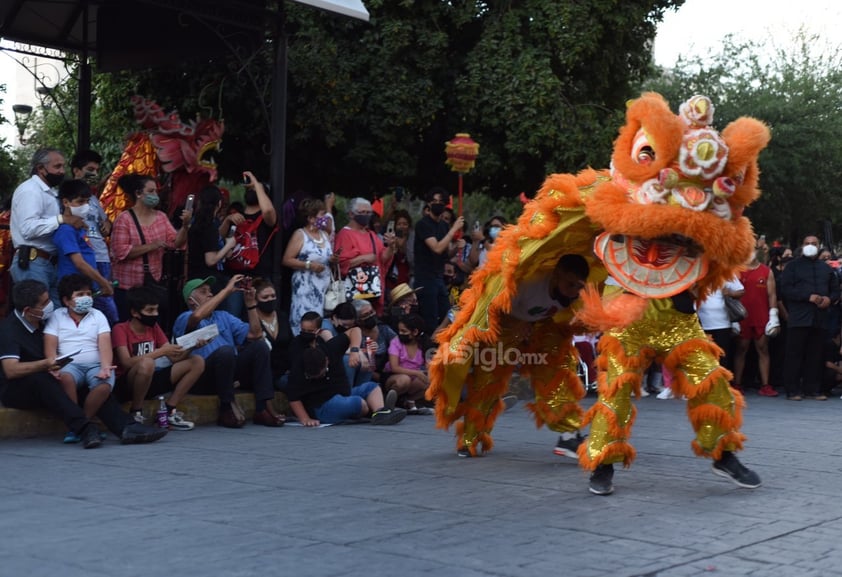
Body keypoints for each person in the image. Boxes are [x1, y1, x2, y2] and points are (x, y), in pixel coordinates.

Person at [428, 253, 591, 458]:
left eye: (579, 286)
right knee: (487, 382)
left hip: (542, 327)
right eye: (570, 284)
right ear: (557, 275)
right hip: (503, 326)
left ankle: (569, 434)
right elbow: (491, 305)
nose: (574, 291)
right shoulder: (529, 283)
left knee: (557, 370)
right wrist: (515, 324)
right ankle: (470, 437)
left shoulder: (576, 296)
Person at [0, 279, 167, 448]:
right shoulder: (10, 331)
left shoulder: (43, 319)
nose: (50, 305)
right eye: (44, 303)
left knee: (90, 383)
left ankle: (126, 427)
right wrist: (46, 364)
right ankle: (83, 427)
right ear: (29, 310)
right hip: (19, 389)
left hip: (50, 374)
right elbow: (11, 370)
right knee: (46, 380)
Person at [173, 275, 285, 428]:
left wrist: (251, 305)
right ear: (192, 301)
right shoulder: (185, 317)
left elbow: (255, 334)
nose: (210, 294)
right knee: (224, 351)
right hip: (202, 376)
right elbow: (197, 316)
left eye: (210, 291)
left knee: (259, 347)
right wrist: (227, 290)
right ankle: (226, 408)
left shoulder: (223, 316)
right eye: (203, 292)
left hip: (228, 372)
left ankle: (262, 407)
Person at [285, 311, 406, 426]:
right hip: (322, 405)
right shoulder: (299, 358)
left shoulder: (327, 346)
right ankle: (375, 411)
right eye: (303, 330)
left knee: (372, 387)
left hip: (340, 393)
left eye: (310, 331)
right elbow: (293, 396)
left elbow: (355, 330)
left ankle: (381, 413)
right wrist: (305, 419)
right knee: (359, 403)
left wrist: (354, 350)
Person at [112, 286, 205, 430]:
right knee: (147, 363)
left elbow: (173, 357)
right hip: (127, 383)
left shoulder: (153, 327)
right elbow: (126, 362)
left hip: (151, 378)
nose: (154, 314)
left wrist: (193, 346)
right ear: (135, 313)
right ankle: (136, 412)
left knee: (197, 361)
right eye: (149, 310)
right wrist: (160, 352)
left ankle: (169, 410)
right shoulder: (120, 329)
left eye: (156, 310)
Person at [43, 274, 116, 441]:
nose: (86, 298)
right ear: (67, 301)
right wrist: (53, 366)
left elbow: (104, 344)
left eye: (89, 294)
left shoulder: (98, 315)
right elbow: (50, 345)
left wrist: (105, 367)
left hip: (95, 364)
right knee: (66, 378)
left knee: (104, 386)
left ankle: (82, 425)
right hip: (69, 365)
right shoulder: (57, 316)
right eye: (80, 295)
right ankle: (78, 426)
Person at [110, 174, 190, 324]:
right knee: (127, 326)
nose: (155, 195)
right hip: (127, 287)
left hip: (151, 285)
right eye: (151, 191)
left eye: (156, 192)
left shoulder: (161, 217)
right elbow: (120, 252)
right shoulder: (124, 219)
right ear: (138, 194)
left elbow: (176, 243)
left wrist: (185, 226)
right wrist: (152, 246)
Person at [10, 148, 86, 305]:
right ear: (40, 169)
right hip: (33, 262)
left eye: (63, 166)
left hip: (48, 263)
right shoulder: (30, 190)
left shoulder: (49, 192)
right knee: (37, 314)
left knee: (53, 315)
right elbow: (28, 228)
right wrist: (62, 219)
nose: (62, 171)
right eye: (57, 167)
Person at [780, 235, 840, 400]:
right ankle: (792, 390)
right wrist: (807, 296)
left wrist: (830, 299)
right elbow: (785, 289)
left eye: (814, 244)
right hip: (799, 317)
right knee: (794, 354)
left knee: (816, 354)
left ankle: (812, 389)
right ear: (802, 246)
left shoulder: (826, 268)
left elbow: (835, 290)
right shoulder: (792, 267)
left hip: (820, 317)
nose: (811, 246)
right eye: (807, 243)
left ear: (819, 246)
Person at [54, 179, 118, 324]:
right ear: (65, 202)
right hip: (74, 290)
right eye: (80, 202)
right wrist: (103, 282)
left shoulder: (79, 229)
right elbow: (79, 263)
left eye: (88, 202)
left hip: (86, 287)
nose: (86, 206)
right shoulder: (66, 230)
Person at [414, 188, 464, 335]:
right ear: (428, 204)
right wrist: (453, 229)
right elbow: (436, 248)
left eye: (441, 202)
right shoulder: (423, 224)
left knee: (446, 316)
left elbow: (445, 253)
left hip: (438, 277)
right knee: (430, 320)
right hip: (425, 278)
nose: (437, 204)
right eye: (434, 201)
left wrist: (456, 248)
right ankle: (428, 348)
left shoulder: (443, 225)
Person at [334, 197, 396, 315]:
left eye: (369, 213)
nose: (367, 216)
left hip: (373, 289)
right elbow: (340, 264)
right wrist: (363, 258)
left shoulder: (371, 234)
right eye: (363, 212)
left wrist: (391, 246)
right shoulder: (345, 234)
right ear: (351, 214)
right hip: (353, 292)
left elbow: (383, 258)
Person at [282, 198, 334, 334]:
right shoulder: (300, 235)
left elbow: (326, 257)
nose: (325, 218)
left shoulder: (324, 235)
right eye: (322, 215)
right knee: (305, 324)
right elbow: (287, 259)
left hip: (322, 288)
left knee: (320, 325)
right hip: (305, 289)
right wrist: (309, 265)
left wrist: (333, 259)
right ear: (311, 218)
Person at [733, 250, 780, 396]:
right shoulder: (735, 270)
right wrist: (732, 318)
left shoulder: (766, 271)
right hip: (742, 316)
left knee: (763, 349)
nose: (750, 252)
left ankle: (765, 385)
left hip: (761, 315)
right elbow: (729, 293)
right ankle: (737, 384)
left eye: (752, 249)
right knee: (741, 349)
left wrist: (773, 315)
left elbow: (772, 295)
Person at [187, 185, 239, 315]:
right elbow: (210, 260)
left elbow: (212, 243)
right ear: (219, 203)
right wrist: (228, 245)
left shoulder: (198, 222)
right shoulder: (209, 226)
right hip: (208, 281)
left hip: (195, 277)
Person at [222, 171, 278, 282]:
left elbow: (267, 210)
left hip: (259, 278)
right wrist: (227, 220)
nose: (252, 190)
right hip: (234, 276)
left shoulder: (266, 217)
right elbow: (220, 237)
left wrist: (257, 185)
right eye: (250, 189)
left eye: (255, 190)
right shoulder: (236, 216)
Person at [696, 277, 744, 384]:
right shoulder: (698, 272)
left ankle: (721, 383)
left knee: (722, 356)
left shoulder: (725, 272)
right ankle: (706, 384)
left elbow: (741, 291)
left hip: (722, 323)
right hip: (701, 322)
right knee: (705, 356)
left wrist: (730, 293)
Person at [383, 313, 433, 414]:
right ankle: (390, 402)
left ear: (415, 332)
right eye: (399, 330)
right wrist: (417, 373)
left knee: (432, 379)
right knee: (404, 380)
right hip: (394, 377)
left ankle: (409, 401)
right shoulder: (396, 342)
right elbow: (394, 367)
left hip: (413, 379)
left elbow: (430, 366)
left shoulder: (424, 344)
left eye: (404, 331)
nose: (400, 333)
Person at [251, 277, 294, 390]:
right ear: (255, 300)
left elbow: (292, 344)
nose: (270, 299)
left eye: (273, 296)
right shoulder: (251, 320)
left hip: (286, 372)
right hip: (263, 376)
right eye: (265, 297)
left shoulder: (282, 316)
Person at [384, 209, 413, 297]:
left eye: (405, 224)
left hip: (408, 277)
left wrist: (403, 243)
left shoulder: (412, 239)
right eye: (399, 224)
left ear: (409, 225)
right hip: (392, 279)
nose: (402, 226)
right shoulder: (391, 239)